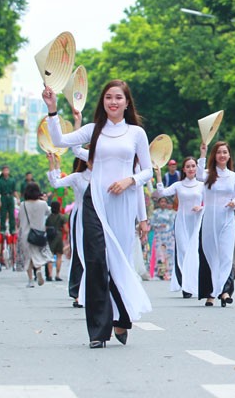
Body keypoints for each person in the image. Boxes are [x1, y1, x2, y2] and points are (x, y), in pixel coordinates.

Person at [43, 79, 153, 349]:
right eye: (108, 98)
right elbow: (58, 140)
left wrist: (130, 181)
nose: (113, 102)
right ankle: (98, 330)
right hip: (95, 202)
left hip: (123, 202)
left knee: (118, 260)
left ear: (127, 103)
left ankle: (122, 316)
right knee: (95, 261)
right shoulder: (94, 130)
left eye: (118, 98)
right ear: (102, 102)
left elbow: (148, 171)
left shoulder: (136, 134)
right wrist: (53, 109)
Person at [196, 141, 235, 307]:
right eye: (219, 152)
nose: (222, 155)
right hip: (210, 220)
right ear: (214, 156)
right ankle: (211, 293)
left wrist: (234, 203)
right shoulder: (207, 174)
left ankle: (223, 291)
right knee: (211, 255)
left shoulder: (233, 176)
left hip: (227, 219)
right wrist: (202, 154)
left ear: (229, 156)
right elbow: (198, 174)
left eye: (225, 152)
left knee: (226, 256)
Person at [153, 157, 204, 297]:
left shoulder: (201, 186)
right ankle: (185, 286)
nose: (191, 169)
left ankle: (195, 283)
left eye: (193, 166)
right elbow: (162, 192)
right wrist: (158, 175)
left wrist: (201, 207)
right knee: (183, 252)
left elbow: (209, 202)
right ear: (184, 169)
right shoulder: (178, 185)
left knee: (194, 252)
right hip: (181, 222)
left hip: (196, 222)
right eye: (188, 166)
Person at [48, 153, 90, 307]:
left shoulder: (103, 175)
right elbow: (55, 183)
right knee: (80, 253)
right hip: (81, 217)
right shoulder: (77, 177)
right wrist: (54, 164)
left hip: (99, 216)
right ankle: (79, 291)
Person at [19, 183, 54, 287]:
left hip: (26, 234)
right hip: (39, 234)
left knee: (28, 257)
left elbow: (20, 219)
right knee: (37, 254)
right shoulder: (42, 204)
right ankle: (38, 269)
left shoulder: (23, 204)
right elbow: (48, 213)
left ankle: (30, 280)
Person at [45, 200, 68, 281]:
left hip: (50, 237)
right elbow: (66, 229)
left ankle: (50, 275)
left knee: (50, 256)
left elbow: (46, 228)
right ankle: (57, 275)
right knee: (59, 256)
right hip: (59, 236)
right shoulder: (62, 217)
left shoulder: (49, 217)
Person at [0, 165, 18, 239]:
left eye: (7, 170)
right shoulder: (0, 181)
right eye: (4, 170)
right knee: (3, 214)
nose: (6, 172)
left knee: (12, 214)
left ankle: (12, 229)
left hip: (10, 197)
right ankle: (2, 229)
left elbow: (14, 191)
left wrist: (18, 199)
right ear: (2, 171)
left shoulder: (12, 180)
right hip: (3, 197)